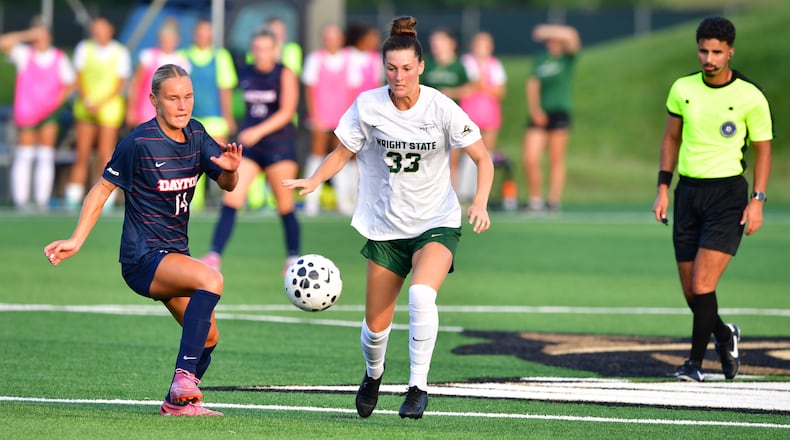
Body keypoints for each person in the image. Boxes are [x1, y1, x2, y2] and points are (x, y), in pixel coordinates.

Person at [283, 16, 494, 419]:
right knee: (375, 329)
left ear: (421, 67)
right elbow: (342, 152)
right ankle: (373, 375)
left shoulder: (440, 107)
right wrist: (314, 180)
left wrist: (480, 202)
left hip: (436, 221)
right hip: (385, 226)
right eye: (392, 69)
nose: (399, 77)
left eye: (407, 69)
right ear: (384, 68)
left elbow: (482, 159)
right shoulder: (368, 105)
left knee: (420, 295)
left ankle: (418, 388)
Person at [44, 64, 242, 416]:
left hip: (174, 256)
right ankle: (184, 378)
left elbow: (227, 185)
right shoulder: (138, 142)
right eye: (173, 98)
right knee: (211, 278)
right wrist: (76, 239)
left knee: (209, 337)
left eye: (188, 97)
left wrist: (230, 169)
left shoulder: (197, 135)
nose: (182, 106)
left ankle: (175, 403)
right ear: (154, 100)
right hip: (142, 258)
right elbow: (102, 189)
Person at [652, 17, 772, 382]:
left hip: (728, 197)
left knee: (704, 285)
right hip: (687, 194)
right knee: (692, 291)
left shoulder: (750, 96)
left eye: (717, 52)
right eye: (704, 50)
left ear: (730, 52)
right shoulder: (682, 88)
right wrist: (662, 188)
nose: (709, 58)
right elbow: (672, 138)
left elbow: (763, 151)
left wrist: (758, 200)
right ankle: (725, 334)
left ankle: (694, 365)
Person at [202, 29, 300, 274]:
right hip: (251, 149)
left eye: (266, 49)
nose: (261, 54)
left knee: (284, 205)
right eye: (256, 49)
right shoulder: (245, 73)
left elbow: (287, 111)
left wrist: (258, 131)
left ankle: (292, 258)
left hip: (280, 146)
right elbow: (236, 106)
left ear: (275, 50)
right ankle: (214, 255)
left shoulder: (284, 73)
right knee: (232, 198)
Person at [0, 18, 75, 211]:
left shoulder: (59, 57)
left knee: (45, 154)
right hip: (27, 113)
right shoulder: (25, 54)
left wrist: (56, 102)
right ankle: (21, 200)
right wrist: (28, 34)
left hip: (48, 113)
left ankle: (41, 200)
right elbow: (4, 42)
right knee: (25, 154)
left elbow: (70, 83)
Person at [65, 16, 131, 211]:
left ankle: (106, 197)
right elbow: (78, 78)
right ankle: (73, 195)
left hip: (109, 109)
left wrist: (101, 102)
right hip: (86, 107)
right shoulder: (84, 49)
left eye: (103, 28)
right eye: (96, 29)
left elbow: (120, 83)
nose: (99, 33)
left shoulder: (120, 52)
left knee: (106, 153)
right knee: (82, 154)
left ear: (110, 30)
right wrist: (88, 100)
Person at [300, 23, 361, 215]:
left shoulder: (350, 60)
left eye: (334, 38)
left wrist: (351, 118)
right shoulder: (315, 59)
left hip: (343, 117)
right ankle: (311, 200)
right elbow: (310, 90)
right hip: (321, 116)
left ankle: (344, 200)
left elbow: (353, 90)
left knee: (343, 156)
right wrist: (315, 115)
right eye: (328, 38)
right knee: (317, 154)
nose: (331, 42)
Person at [182, 18, 238, 211]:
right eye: (200, 32)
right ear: (194, 34)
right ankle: (192, 203)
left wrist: (228, 116)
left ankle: (220, 197)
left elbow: (225, 88)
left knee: (218, 158)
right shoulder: (183, 56)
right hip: (190, 118)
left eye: (207, 33)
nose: (203, 36)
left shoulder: (220, 56)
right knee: (190, 160)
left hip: (215, 118)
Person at [522, 24, 580, 213]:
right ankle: (535, 200)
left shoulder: (566, 59)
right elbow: (532, 85)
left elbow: (572, 35)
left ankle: (553, 201)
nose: (552, 42)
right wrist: (535, 109)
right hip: (540, 112)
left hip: (559, 112)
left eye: (556, 39)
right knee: (530, 158)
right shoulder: (541, 60)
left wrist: (547, 30)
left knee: (556, 159)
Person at [459, 31, 507, 204]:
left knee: (487, 154)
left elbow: (500, 91)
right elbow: (467, 86)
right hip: (469, 114)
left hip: (490, 114)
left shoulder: (495, 65)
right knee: (467, 153)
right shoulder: (466, 62)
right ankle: (463, 192)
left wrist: (482, 86)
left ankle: (480, 194)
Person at [421, 28, 470, 193]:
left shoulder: (459, 66)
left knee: (452, 160)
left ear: (451, 43)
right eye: (434, 42)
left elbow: (471, 87)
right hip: (428, 119)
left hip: (451, 119)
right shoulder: (428, 64)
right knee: (428, 160)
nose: (436, 45)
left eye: (440, 41)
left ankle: (451, 195)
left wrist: (452, 93)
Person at [126, 17, 191, 129]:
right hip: (145, 112)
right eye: (164, 38)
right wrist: (131, 110)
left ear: (177, 40)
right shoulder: (147, 56)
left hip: (171, 114)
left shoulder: (182, 61)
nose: (167, 42)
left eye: (170, 38)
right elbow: (136, 84)